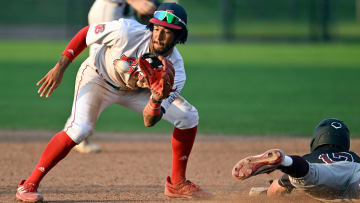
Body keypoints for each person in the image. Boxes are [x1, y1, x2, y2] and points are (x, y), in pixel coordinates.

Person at [16, 3, 211, 202]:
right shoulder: (127, 31)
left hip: (136, 92)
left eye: (167, 32)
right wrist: (60, 67)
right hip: (98, 79)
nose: (159, 36)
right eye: (157, 29)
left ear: (179, 36)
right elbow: (86, 33)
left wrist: (156, 98)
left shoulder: (176, 70)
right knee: (79, 129)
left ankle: (177, 183)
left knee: (188, 116)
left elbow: (149, 121)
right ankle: (29, 183)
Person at [75, 0, 157, 153]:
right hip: (108, 10)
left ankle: (81, 132)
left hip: (122, 11)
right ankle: (79, 131)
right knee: (97, 70)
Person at [232, 118, 360, 201]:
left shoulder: (311, 158)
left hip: (323, 172)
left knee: (306, 173)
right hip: (355, 170)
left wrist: (269, 191)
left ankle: (285, 162)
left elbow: (275, 191)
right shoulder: (354, 156)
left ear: (317, 139)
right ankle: (285, 163)